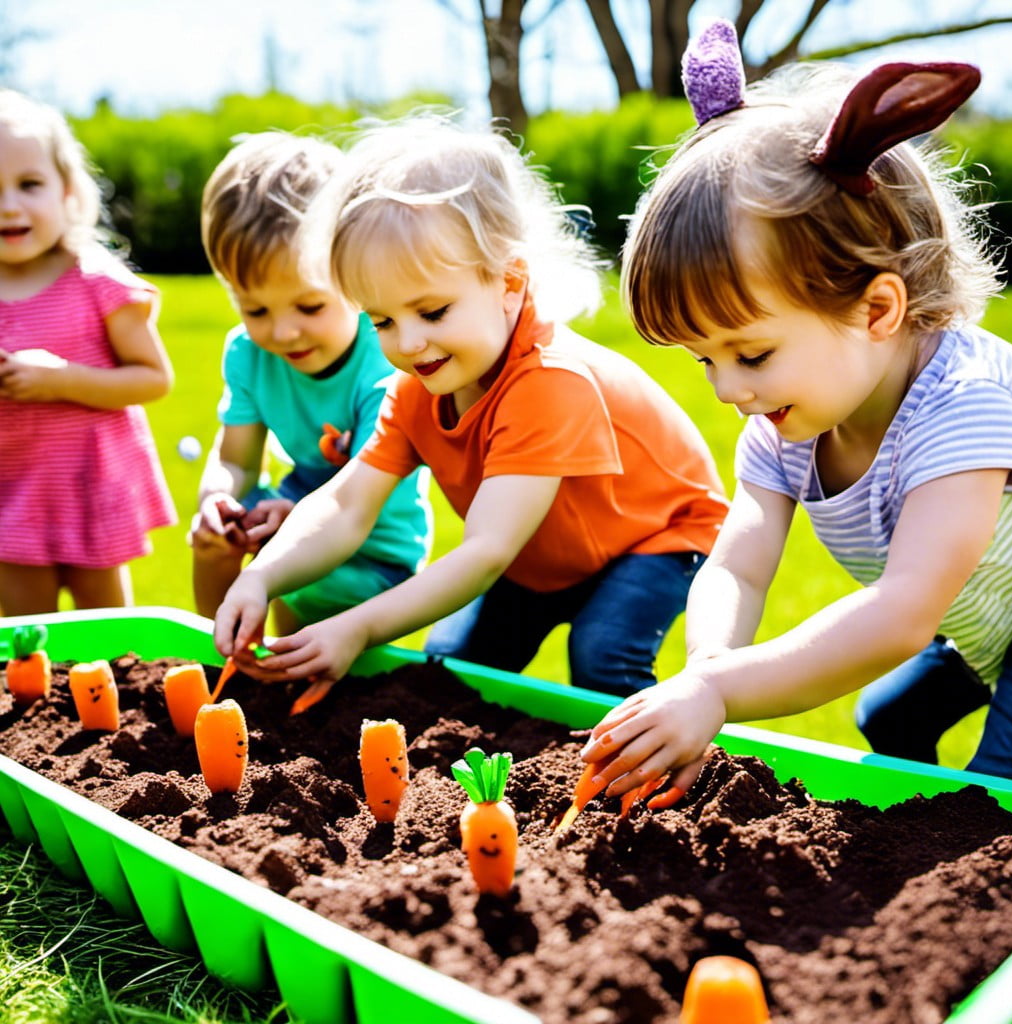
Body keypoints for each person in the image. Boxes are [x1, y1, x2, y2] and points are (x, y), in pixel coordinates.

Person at [581, 20, 1012, 795]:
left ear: (878, 310)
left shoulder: (964, 406)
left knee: (996, 797)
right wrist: (706, 674)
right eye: (704, 359)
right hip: (988, 619)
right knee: (889, 722)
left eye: (750, 354)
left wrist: (719, 695)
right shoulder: (787, 423)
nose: (727, 390)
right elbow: (738, 567)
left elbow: (901, 613)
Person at [213, 114, 728, 701]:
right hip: (539, 553)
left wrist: (357, 626)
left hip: (657, 537)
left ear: (509, 282)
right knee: (449, 670)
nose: (407, 344)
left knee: (603, 656)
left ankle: (659, 763)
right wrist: (262, 575)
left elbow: (485, 550)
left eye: (431, 313)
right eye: (382, 320)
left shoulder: (548, 383)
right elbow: (346, 503)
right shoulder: (417, 387)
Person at [191, 132, 432, 634]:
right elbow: (236, 458)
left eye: (309, 305)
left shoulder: (385, 361)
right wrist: (218, 497)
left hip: (374, 552)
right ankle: (214, 659)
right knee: (214, 538)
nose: (282, 332)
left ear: (353, 276)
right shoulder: (248, 353)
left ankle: (262, 663)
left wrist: (290, 526)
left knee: (294, 603)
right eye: (255, 308)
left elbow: (362, 498)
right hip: (289, 512)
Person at [0, 89, 175, 615]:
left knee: (109, 635)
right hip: (12, 492)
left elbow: (152, 378)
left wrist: (59, 379)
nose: (10, 206)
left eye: (30, 185)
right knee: (26, 643)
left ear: (68, 190)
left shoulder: (95, 280)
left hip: (90, 489)